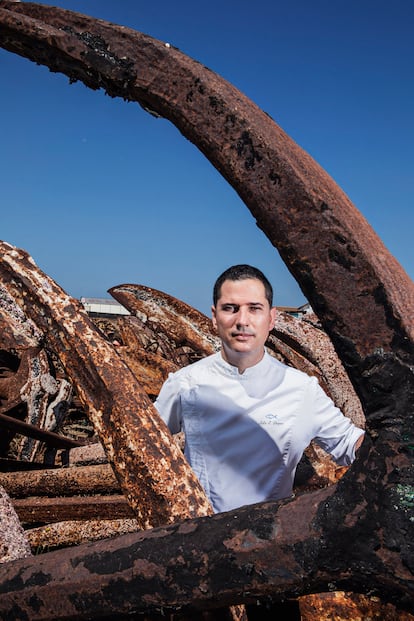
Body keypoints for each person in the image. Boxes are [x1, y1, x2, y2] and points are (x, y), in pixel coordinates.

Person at [154, 264, 364, 514]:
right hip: (199, 533)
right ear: (214, 317)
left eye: (254, 309)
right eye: (230, 309)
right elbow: (149, 444)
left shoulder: (301, 389)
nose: (242, 321)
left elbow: (349, 443)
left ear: (271, 318)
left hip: (271, 536)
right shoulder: (185, 383)